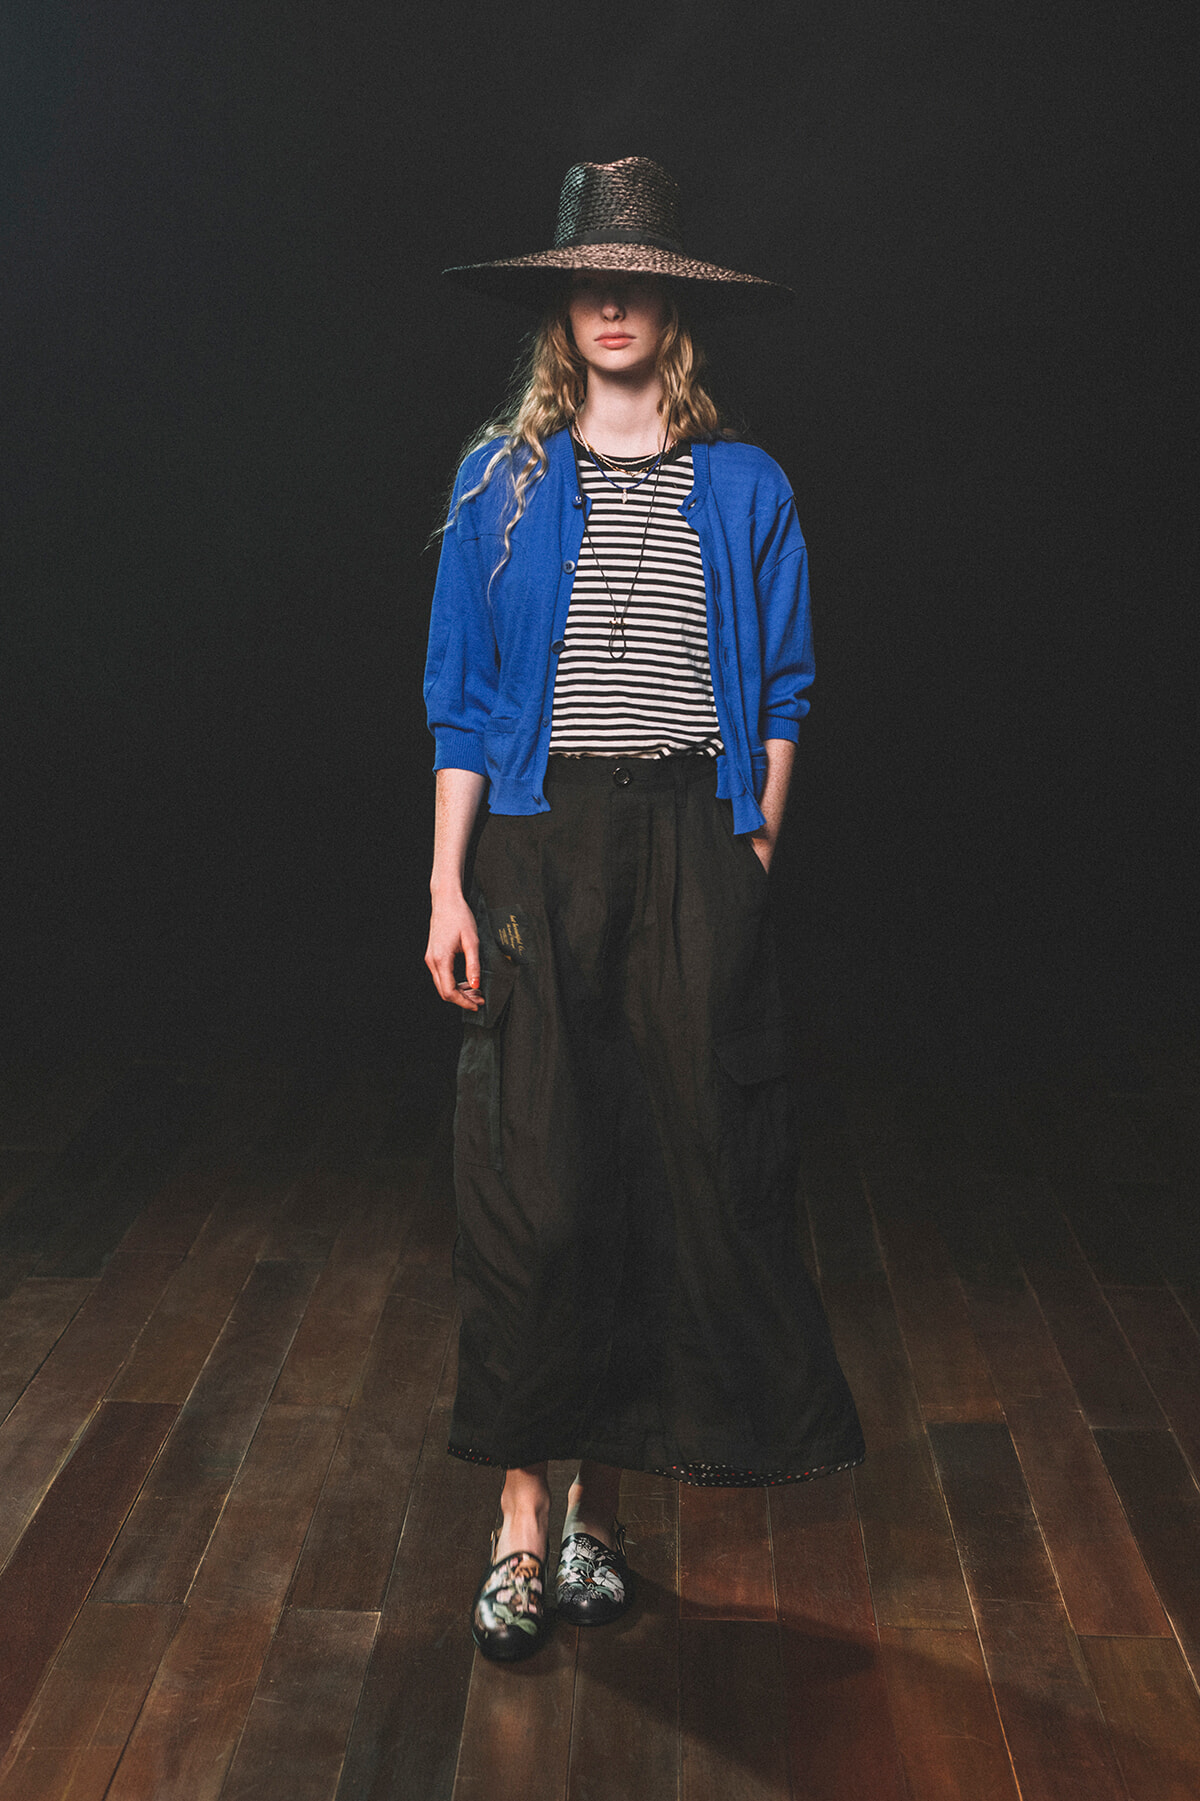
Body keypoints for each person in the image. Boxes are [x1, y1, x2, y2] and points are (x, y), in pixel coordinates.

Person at [423, 157, 865, 1662]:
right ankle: (522, 1522)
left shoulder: (746, 486)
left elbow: (788, 687)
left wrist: (750, 857)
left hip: (690, 839)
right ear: (563, 298)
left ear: (669, 300)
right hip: (543, 855)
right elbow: (466, 707)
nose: (611, 300)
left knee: (669, 1176)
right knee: (537, 1182)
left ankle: (599, 1513)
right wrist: (444, 884)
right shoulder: (502, 480)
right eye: (587, 275)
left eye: (637, 275)